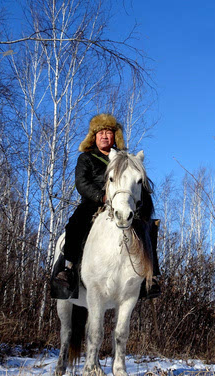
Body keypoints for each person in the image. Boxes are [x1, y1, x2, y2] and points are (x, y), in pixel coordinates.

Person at [51, 113, 160, 300]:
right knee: (75, 224)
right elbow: (82, 183)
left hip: (121, 204)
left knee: (148, 226)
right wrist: (101, 197)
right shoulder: (86, 158)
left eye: (108, 132)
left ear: (114, 137)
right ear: (93, 136)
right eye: (100, 132)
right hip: (94, 203)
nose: (104, 136)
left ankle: (150, 277)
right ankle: (68, 269)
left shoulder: (124, 159)